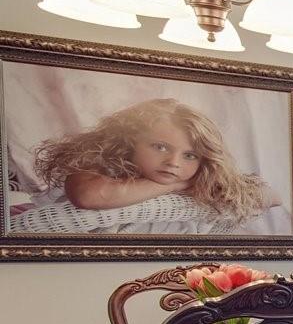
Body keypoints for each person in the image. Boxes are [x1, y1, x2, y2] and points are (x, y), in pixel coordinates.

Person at [8, 97, 279, 236]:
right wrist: (179, 183)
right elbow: (88, 197)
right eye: (160, 147)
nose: (173, 163)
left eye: (190, 156)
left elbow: (272, 196)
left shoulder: (203, 179)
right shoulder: (101, 167)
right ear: (128, 143)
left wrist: (215, 184)